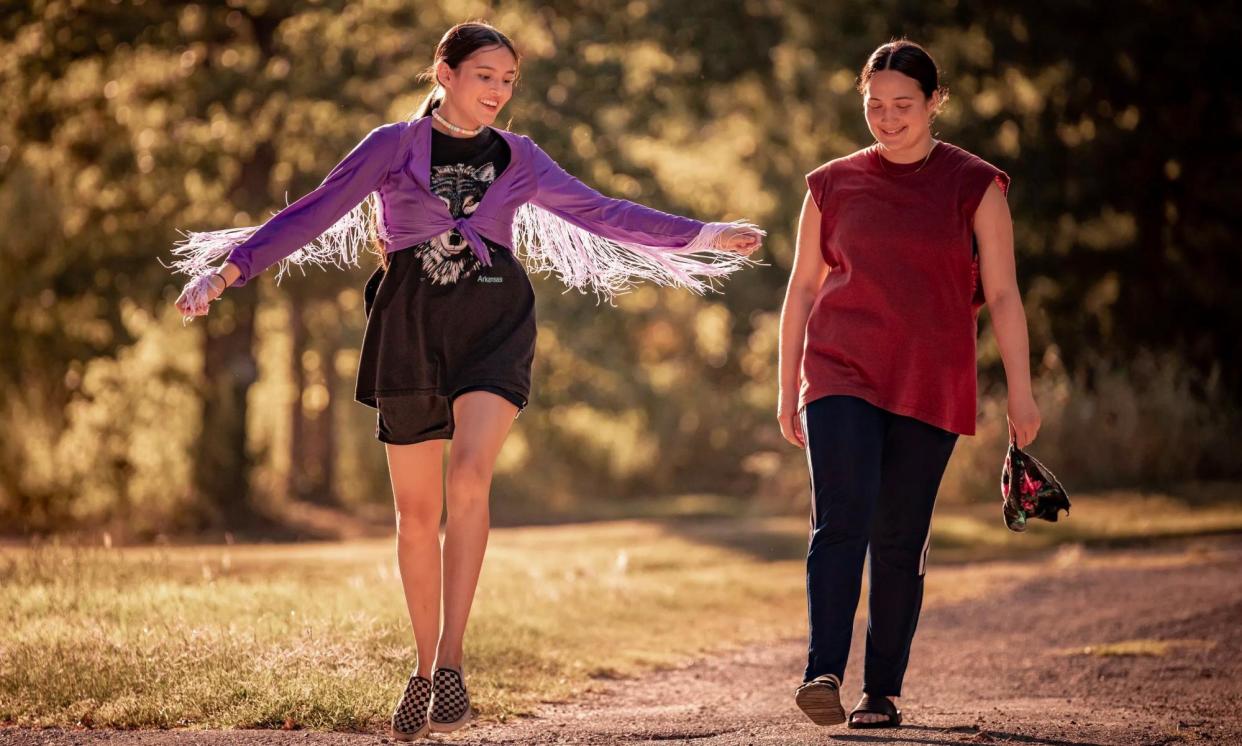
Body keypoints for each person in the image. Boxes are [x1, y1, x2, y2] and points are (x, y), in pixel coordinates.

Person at [170, 21, 762, 741]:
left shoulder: (521, 156)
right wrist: (228, 269)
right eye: (486, 75)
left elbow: (603, 212)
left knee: (470, 478)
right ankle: (423, 671)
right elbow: (312, 212)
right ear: (443, 73)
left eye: (509, 80)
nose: (499, 91)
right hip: (409, 328)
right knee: (417, 517)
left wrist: (702, 234)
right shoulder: (392, 146)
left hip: (494, 324)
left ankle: (452, 659)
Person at [776, 39, 1040, 730]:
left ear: (934, 103)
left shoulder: (975, 183)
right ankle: (822, 673)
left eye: (902, 105)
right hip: (839, 369)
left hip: (931, 377)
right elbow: (802, 289)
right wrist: (786, 385)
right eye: (874, 105)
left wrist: (1021, 392)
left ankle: (881, 690)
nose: (887, 119)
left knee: (899, 537)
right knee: (841, 520)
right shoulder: (830, 184)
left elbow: (1005, 295)